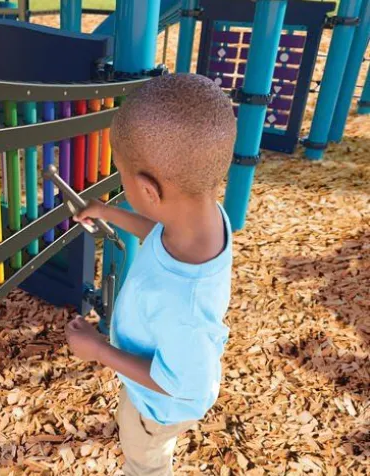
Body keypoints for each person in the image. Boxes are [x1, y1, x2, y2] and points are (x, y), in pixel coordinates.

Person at [65, 73, 236, 475]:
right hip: (161, 371)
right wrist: (109, 212)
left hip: (159, 407)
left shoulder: (183, 305)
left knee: (146, 462)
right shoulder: (201, 217)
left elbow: (181, 385)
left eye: (121, 176)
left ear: (147, 191)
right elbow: (157, 232)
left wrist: (99, 350)